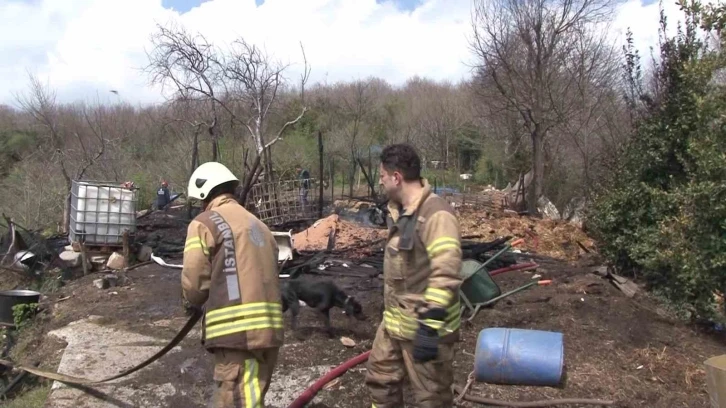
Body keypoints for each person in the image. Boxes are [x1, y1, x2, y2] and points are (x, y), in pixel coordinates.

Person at [365, 144, 463, 408]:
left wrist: (429, 326)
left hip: (424, 330)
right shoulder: (402, 213)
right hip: (394, 325)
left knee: (431, 399)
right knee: (380, 381)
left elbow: (447, 270)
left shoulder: (436, 214)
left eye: (382, 176)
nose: (381, 182)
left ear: (396, 177)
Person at [181, 162, 283, 408]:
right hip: (269, 334)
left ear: (205, 194)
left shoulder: (204, 223)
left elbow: (194, 285)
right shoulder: (260, 226)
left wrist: (192, 301)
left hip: (237, 339)